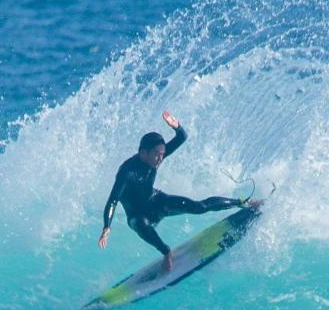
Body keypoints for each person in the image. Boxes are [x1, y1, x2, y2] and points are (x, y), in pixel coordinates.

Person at [99, 110, 250, 273]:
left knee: (199, 207)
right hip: (137, 215)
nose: (160, 159)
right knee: (140, 223)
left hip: (155, 202)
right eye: (156, 154)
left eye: (162, 155)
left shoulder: (156, 157)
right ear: (143, 152)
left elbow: (182, 138)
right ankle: (167, 252)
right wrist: (107, 227)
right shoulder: (127, 173)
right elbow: (113, 200)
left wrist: (176, 126)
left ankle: (242, 202)